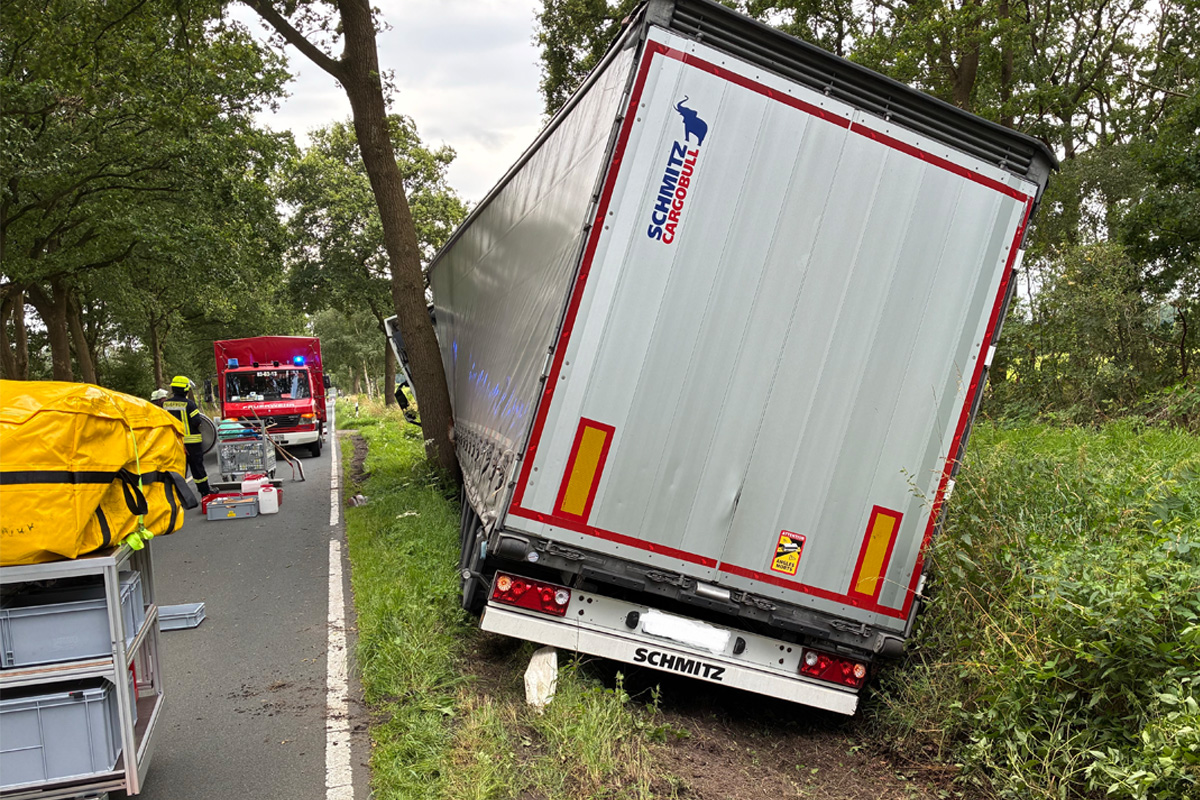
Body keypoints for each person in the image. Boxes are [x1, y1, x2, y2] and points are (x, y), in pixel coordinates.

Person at [162, 375, 214, 498]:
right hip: (192, 443)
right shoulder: (189, 404)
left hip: (174, 443)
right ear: (186, 390)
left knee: (178, 469)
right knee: (197, 469)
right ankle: (205, 492)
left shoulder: (165, 404)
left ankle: (177, 495)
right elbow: (197, 421)